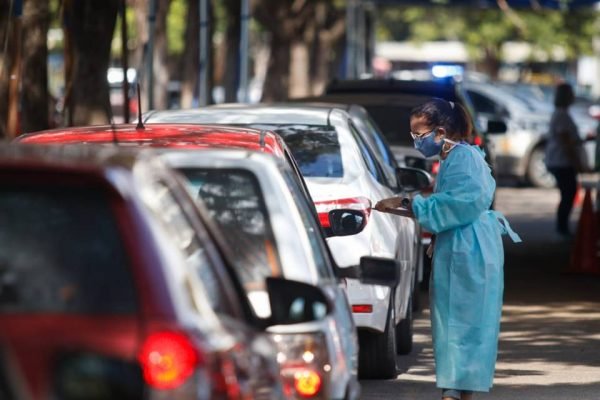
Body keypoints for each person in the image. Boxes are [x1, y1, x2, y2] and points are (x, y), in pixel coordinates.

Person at [374, 98, 521, 400]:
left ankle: (453, 392)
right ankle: (456, 389)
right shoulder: (453, 157)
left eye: (419, 135)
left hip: (469, 250)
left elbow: (461, 203)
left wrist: (409, 203)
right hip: (462, 247)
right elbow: (446, 205)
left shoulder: (464, 158)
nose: (416, 142)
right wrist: (404, 207)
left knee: (462, 326)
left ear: (440, 132)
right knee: (455, 325)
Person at [544, 82, 588, 238]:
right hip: (561, 161)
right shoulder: (562, 115)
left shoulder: (561, 113)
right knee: (568, 194)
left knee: (568, 194)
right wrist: (578, 163)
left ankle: (562, 228)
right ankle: (562, 229)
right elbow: (566, 143)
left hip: (559, 160)